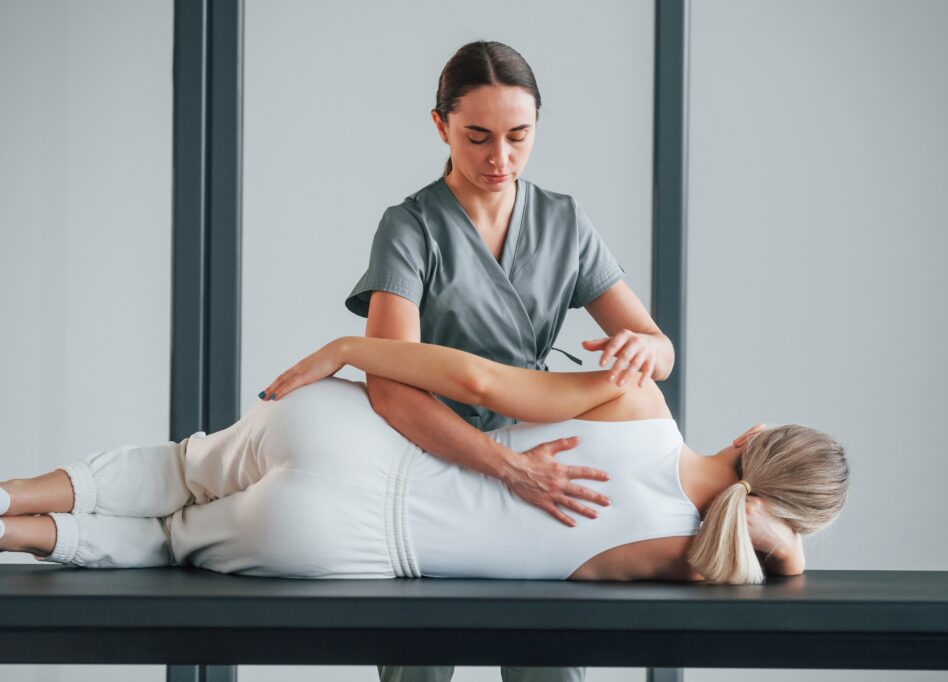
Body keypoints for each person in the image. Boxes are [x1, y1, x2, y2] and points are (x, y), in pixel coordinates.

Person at [1, 335, 849, 592]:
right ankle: (24, 535)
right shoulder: (691, 559)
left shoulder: (637, 407)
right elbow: (780, 570)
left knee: (180, 466)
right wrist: (786, 543)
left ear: (752, 433)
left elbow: (480, 381)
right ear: (777, 516)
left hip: (362, 439)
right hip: (344, 547)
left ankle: (6, 495)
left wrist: (349, 349)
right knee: (167, 544)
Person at [343, 39, 675, 682]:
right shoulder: (410, 227)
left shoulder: (564, 222)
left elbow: (657, 348)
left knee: (546, 658)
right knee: (420, 662)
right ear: (440, 125)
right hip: (431, 460)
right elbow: (389, 386)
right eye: (477, 136)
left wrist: (647, 347)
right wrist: (503, 465)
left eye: (519, 136)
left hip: (542, 461)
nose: (500, 158)